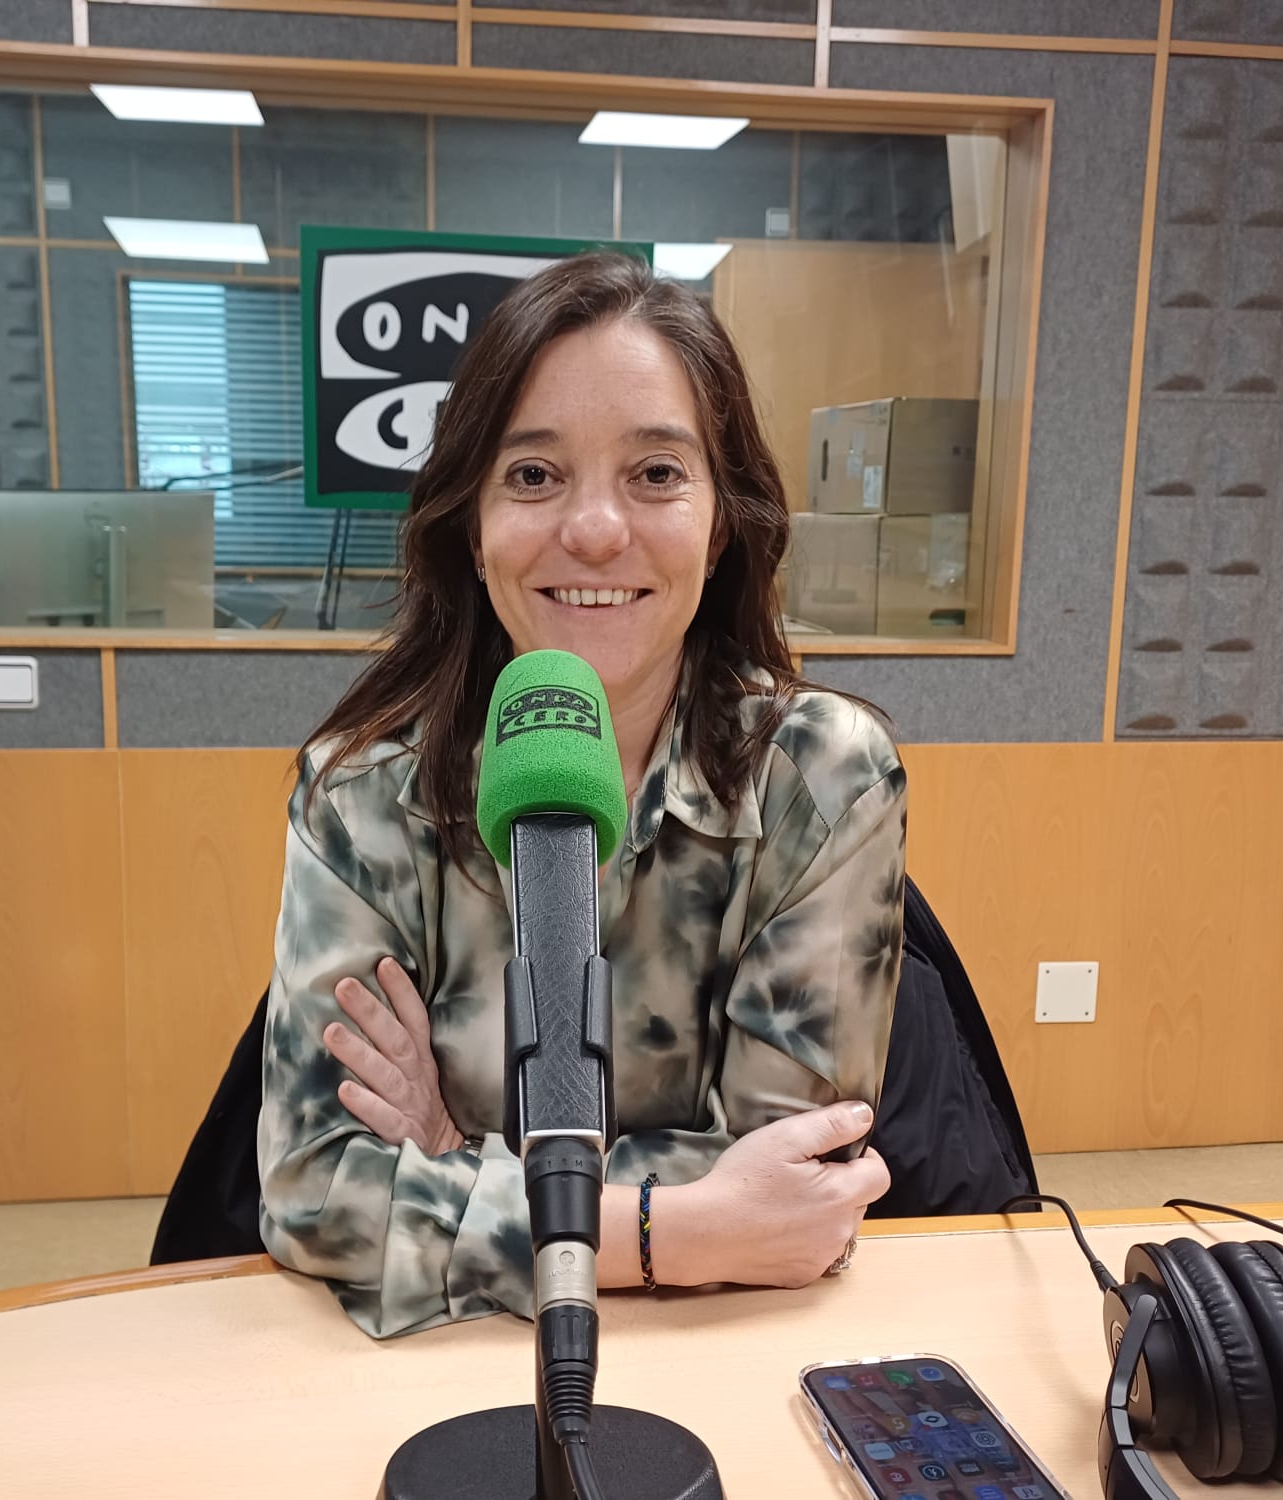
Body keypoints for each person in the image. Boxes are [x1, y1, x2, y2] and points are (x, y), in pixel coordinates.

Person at [257, 251, 906, 1338]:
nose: (594, 530)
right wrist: (677, 1227)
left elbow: (797, 1188)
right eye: (532, 476)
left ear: (721, 520)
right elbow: (314, 1190)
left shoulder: (822, 775)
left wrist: (457, 1156)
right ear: (470, 524)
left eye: (655, 473)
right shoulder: (361, 795)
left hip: (725, 1349)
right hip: (452, 1364)